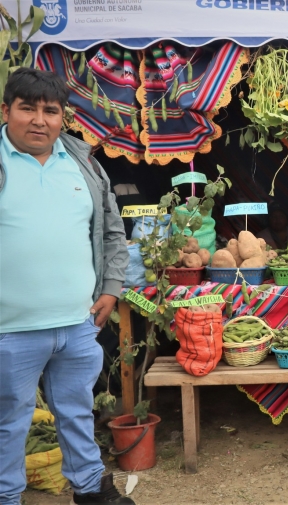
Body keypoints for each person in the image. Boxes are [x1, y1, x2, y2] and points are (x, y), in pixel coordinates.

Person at [0, 68, 132, 505]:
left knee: (77, 413)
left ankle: (92, 490)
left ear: (62, 118)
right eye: (27, 109)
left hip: (77, 324)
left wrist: (111, 287)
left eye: (50, 111)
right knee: (8, 421)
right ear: (6, 111)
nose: (40, 120)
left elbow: (113, 231)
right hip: (9, 330)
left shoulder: (84, 163)